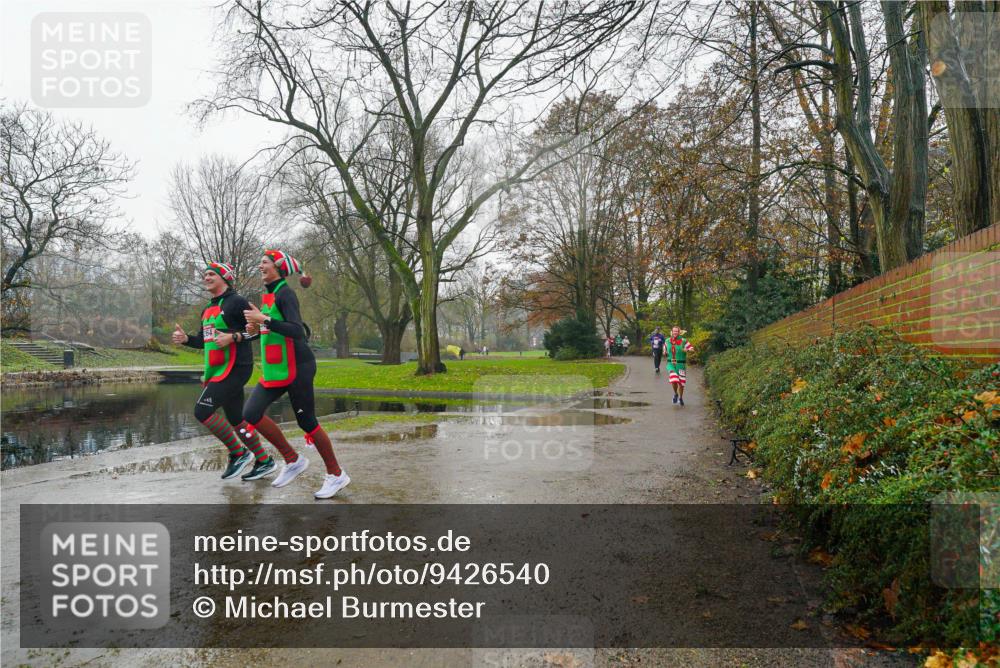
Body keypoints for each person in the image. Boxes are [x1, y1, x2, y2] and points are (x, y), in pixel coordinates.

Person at [240, 250, 351, 499]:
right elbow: (273, 331)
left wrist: (264, 320)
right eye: (260, 262)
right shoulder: (268, 295)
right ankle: (293, 460)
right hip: (276, 369)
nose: (260, 265)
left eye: (265, 262)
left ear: (278, 267)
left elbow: (296, 331)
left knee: (307, 421)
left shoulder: (286, 293)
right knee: (250, 413)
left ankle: (336, 474)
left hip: (298, 367)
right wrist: (256, 328)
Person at [172, 262, 275, 481]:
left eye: (211, 274)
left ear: (224, 277)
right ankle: (264, 460)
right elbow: (204, 341)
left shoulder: (237, 302)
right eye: (205, 274)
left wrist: (234, 337)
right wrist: (186, 339)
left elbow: (260, 331)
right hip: (217, 369)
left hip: (237, 367)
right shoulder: (207, 308)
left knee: (202, 411)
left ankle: (238, 453)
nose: (206, 277)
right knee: (237, 420)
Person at [665, 326, 695, 405]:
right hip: (671, 363)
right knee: (674, 379)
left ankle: (680, 398)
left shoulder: (684, 341)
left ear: (679, 332)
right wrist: (664, 352)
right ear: (671, 332)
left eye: (676, 331)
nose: (675, 333)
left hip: (681, 364)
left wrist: (687, 349)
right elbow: (664, 350)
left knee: (681, 383)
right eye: (673, 331)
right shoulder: (667, 341)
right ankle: (675, 394)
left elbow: (692, 349)